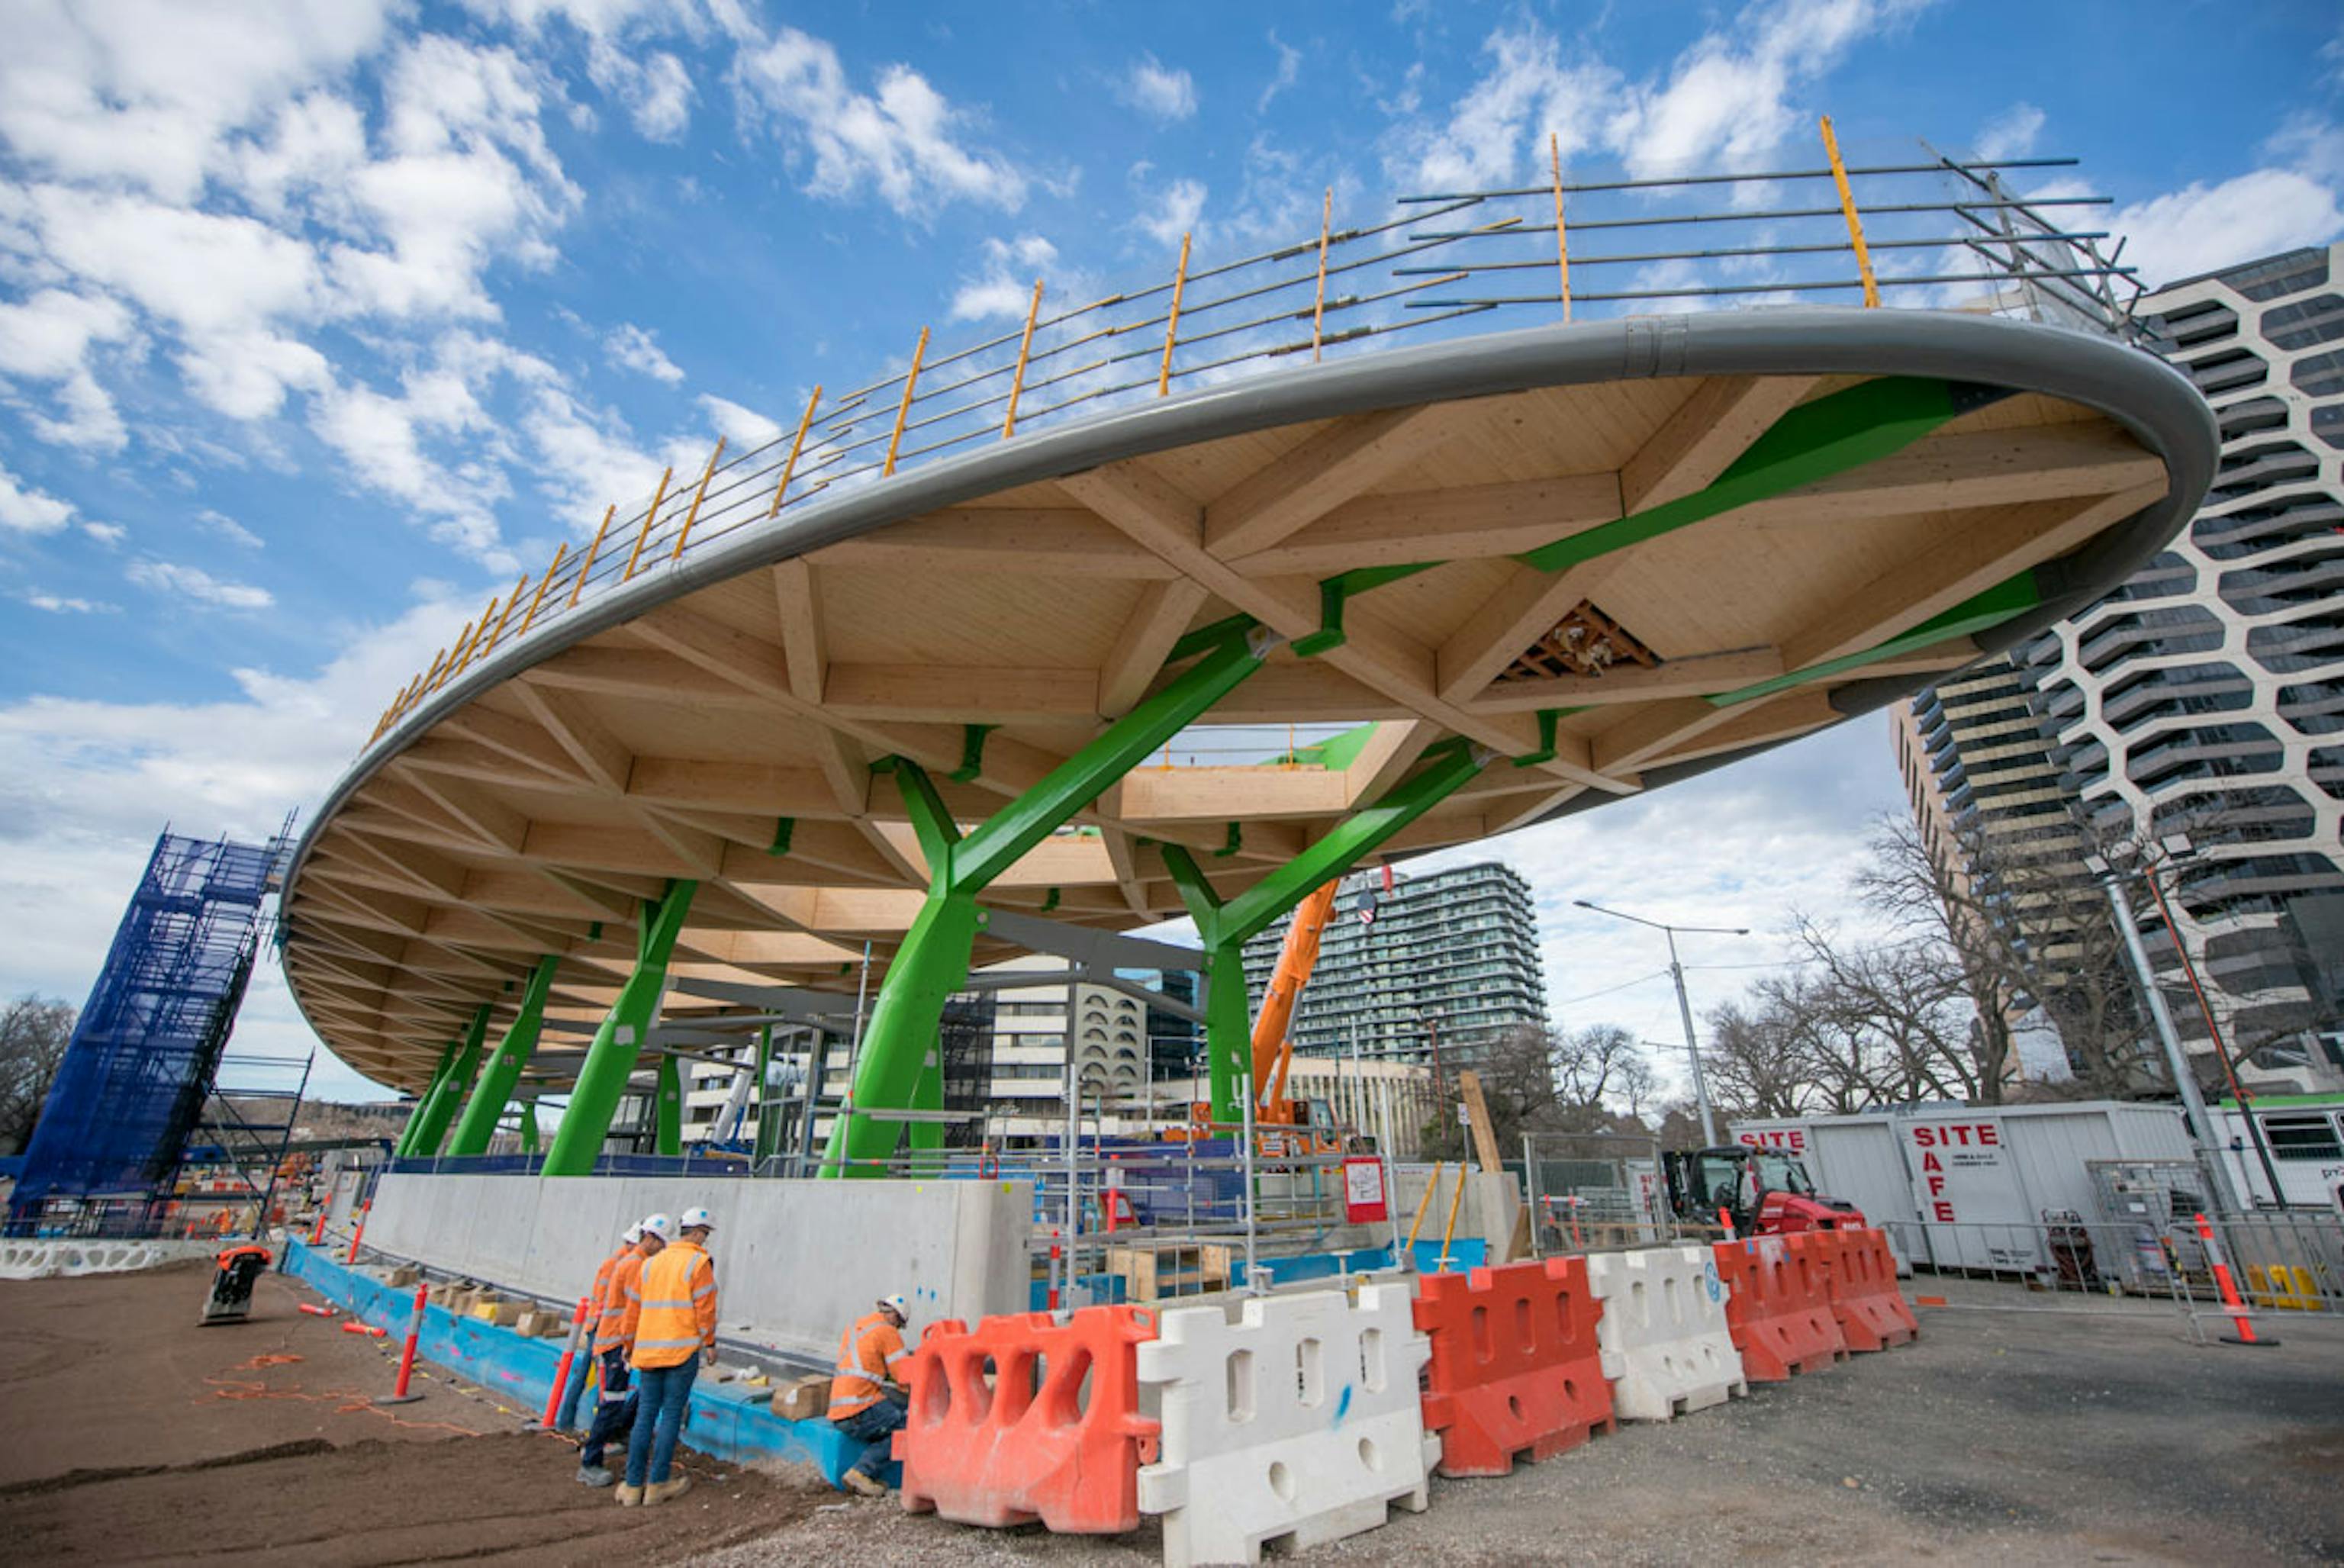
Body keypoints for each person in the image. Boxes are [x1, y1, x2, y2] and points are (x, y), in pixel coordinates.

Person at [619, 1205, 718, 1507]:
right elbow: (705, 1307)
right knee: (671, 1415)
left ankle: (633, 1485)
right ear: (699, 1234)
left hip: (648, 1351)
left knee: (645, 1416)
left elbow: (632, 1307)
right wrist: (709, 1342)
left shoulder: (652, 1263)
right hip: (680, 1351)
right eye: (705, 1234)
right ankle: (658, 1483)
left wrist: (628, 1344)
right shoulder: (699, 1263)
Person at [578, 1215, 668, 1487]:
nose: (663, 1249)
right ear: (649, 1238)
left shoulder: (633, 1263)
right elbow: (633, 1311)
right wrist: (631, 1346)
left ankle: (614, 1435)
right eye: (661, 1243)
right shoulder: (634, 1266)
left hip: (617, 1341)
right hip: (616, 1343)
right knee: (612, 1401)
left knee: (622, 1399)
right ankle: (591, 1461)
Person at [828, 1292, 914, 1497]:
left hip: (839, 1408)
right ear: (895, 1317)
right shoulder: (887, 1332)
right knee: (908, 1428)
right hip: (859, 1409)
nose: (898, 1330)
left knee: (892, 1412)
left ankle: (864, 1470)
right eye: (899, 1325)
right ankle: (861, 1472)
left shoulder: (856, 1327)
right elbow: (904, 1378)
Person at [568, 1221, 642, 1445]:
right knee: (606, 1391)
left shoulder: (621, 1262)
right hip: (607, 1332)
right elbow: (616, 1303)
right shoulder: (623, 1264)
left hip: (605, 1330)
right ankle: (597, 1439)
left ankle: (586, 1430)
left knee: (602, 1388)